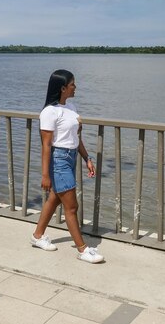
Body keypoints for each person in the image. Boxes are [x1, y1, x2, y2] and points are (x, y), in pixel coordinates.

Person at [30, 69, 105, 263]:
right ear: (63, 88)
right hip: (59, 159)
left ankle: (37, 236)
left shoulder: (71, 107)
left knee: (55, 199)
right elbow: (46, 145)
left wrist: (86, 158)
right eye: (72, 84)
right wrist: (45, 174)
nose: (75, 87)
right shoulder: (49, 112)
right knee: (72, 207)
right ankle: (83, 250)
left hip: (71, 156)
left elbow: (75, 138)